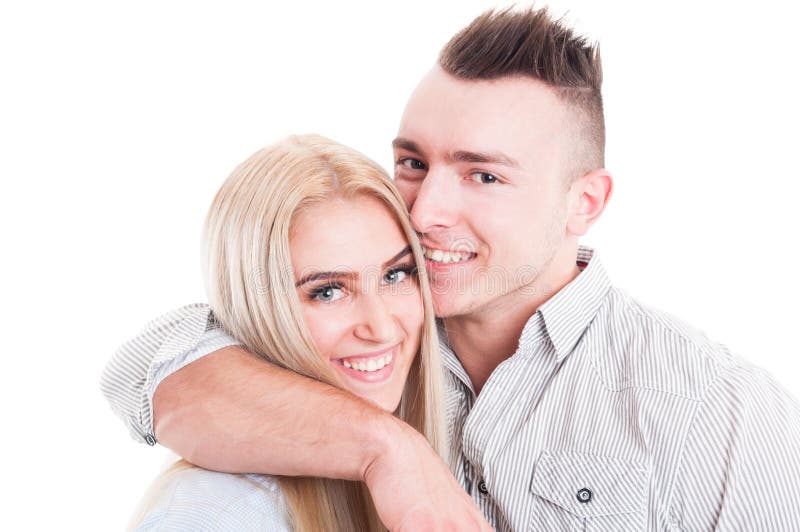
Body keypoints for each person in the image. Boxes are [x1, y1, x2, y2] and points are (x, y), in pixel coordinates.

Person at [103, 7, 800, 531]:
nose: (426, 210)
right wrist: (387, 449)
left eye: (483, 176)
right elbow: (142, 372)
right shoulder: (356, 340)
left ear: (583, 202)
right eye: (413, 162)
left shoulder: (720, 409)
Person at [126, 134, 486, 530]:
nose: (381, 327)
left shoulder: (454, 417)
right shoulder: (221, 513)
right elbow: (135, 369)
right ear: (260, 312)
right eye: (328, 291)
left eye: (395, 275)